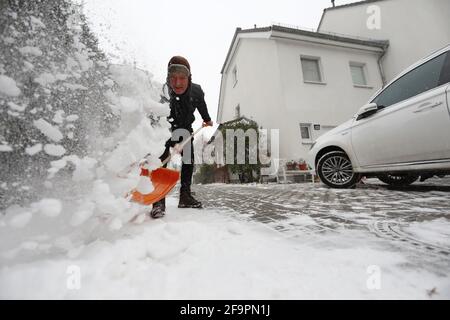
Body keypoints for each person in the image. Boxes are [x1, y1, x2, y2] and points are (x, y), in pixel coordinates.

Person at [150, 56, 213, 218]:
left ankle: (185, 196)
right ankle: (158, 201)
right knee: (161, 160)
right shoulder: (162, 92)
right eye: (173, 78)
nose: (178, 83)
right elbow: (154, 116)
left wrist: (207, 119)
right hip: (166, 130)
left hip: (185, 130)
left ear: (189, 78)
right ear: (168, 78)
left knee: (188, 160)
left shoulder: (196, 91)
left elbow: (202, 107)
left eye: (182, 78)